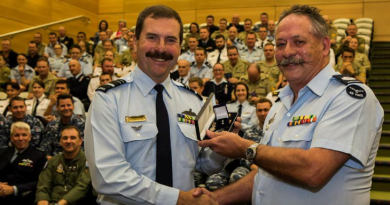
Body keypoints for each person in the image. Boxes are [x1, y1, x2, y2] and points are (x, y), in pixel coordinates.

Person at [194, 5, 384, 205]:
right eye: (280, 44)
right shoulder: (279, 103)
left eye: (299, 42)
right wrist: (216, 198)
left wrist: (246, 148)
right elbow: (266, 176)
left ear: (325, 46)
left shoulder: (349, 97)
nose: (287, 52)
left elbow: (314, 171)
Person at [85, 5, 225, 205]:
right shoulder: (108, 100)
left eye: (170, 40)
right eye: (152, 37)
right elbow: (107, 178)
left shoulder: (193, 101)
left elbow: (203, 164)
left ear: (180, 47)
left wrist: (220, 149)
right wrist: (179, 200)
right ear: (134, 42)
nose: (161, 48)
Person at [205, 98, 272, 191]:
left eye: (266, 110)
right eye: (259, 110)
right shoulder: (249, 132)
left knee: (236, 177)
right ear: (256, 112)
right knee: (213, 182)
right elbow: (243, 154)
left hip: (265, 169)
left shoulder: (275, 133)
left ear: (272, 111)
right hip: (243, 165)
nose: (263, 113)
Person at [36, 125, 92, 205]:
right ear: (60, 142)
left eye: (73, 138)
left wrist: (59, 204)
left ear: (80, 141)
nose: (68, 141)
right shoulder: (53, 161)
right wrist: (42, 202)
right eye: (65, 138)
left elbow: (82, 187)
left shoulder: (87, 160)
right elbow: (43, 186)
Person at [0, 122, 47, 205]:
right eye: (16, 135)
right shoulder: (3, 153)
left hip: (23, 196)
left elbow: (40, 182)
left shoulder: (39, 156)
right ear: (11, 138)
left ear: (30, 137)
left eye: (24, 135)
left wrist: (14, 189)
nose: (20, 138)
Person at [40, 93, 85, 158]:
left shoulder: (82, 125)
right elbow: (45, 147)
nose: (66, 108)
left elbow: (83, 148)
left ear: (73, 106)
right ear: (57, 107)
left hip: (75, 160)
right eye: (63, 106)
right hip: (54, 160)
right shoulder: (52, 125)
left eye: (68, 105)